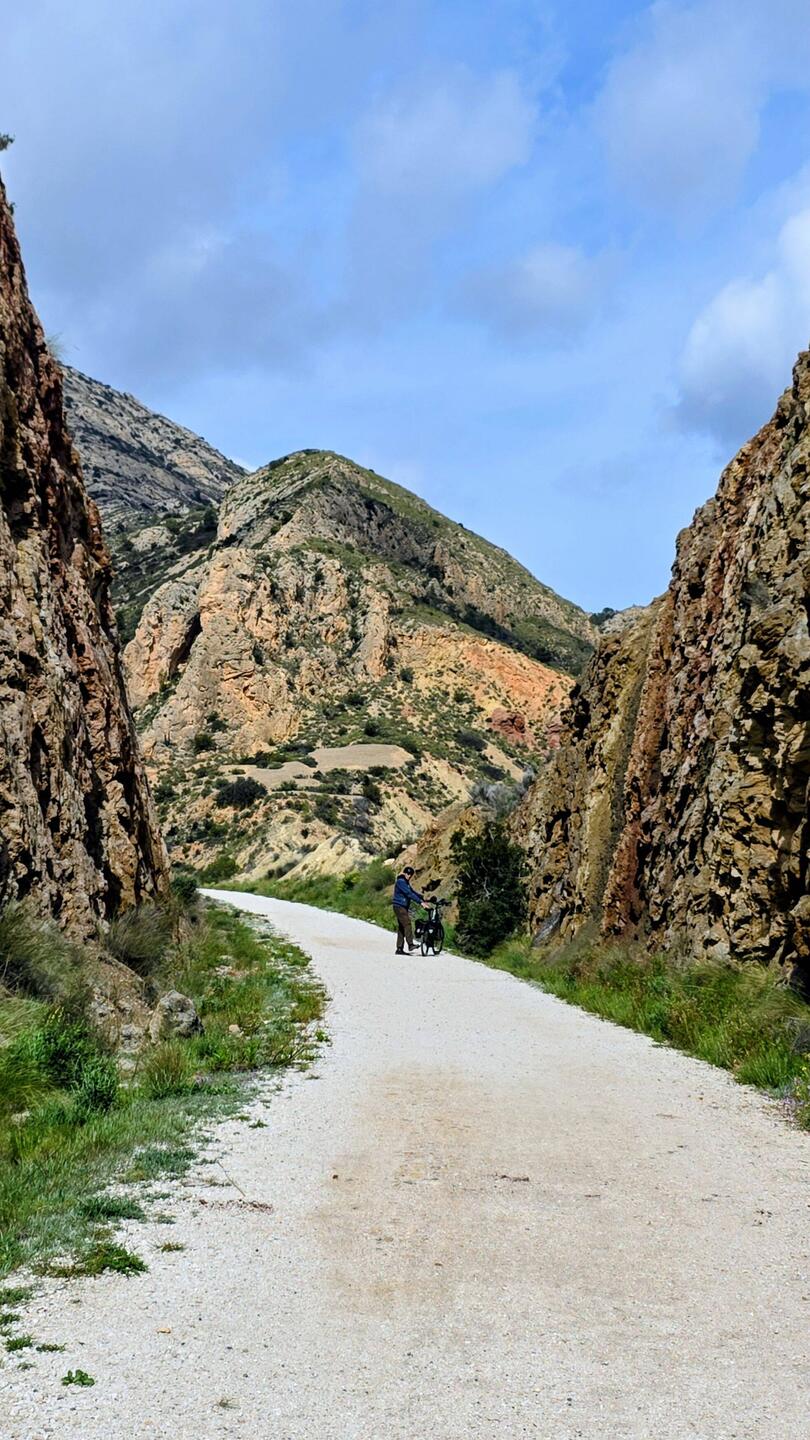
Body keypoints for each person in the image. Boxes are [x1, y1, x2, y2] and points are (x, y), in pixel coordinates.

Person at [392, 866, 423, 954]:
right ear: (404, 873)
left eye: (410, 874)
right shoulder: (401, 882)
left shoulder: (406, 883)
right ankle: (410, 944)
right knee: (407, 924)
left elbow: (412, 892)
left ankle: (399, 948)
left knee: (402, 927)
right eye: (408, 874)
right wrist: (420, 903)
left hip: (402, 906)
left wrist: (422, 898)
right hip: (399, 906)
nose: (409, 876)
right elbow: (408, 893)